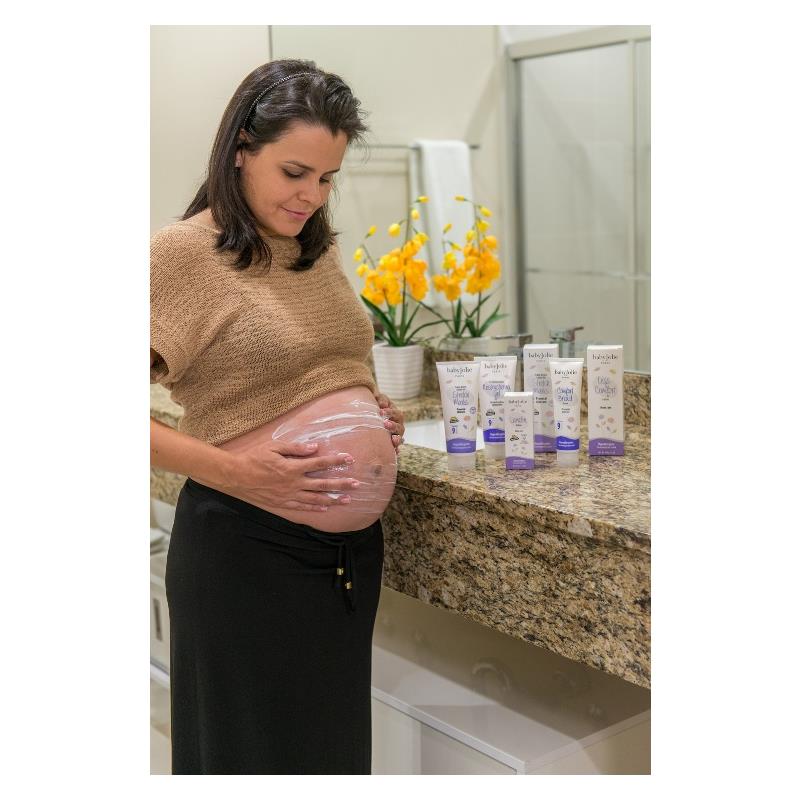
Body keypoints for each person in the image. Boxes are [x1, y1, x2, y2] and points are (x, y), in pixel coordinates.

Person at [150, 59, 406, 775]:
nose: (311, 196)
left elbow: (318, 358)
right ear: (241, 149)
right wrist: (237, 472)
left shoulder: (311, 250)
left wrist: (364, 402)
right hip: (245, 552)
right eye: (295, 172)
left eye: (327, 178)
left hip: (346, 561)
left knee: (330, 762)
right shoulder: (184, 254)